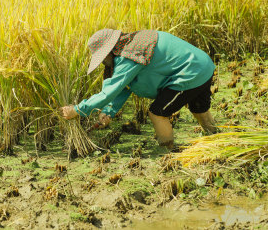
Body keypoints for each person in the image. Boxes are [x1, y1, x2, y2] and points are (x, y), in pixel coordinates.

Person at [61, 29, 218, 149]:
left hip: (188, 74)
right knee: (199, 110)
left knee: (157, 112)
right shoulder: (134, 44)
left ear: (109, 51)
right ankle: (216, 141)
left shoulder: (127, 56)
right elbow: (124, 86)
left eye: (102, 58)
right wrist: (108, 112)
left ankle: (167, 151)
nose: (103, 62)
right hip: (203, 66)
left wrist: (77, 110)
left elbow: (108, 92)